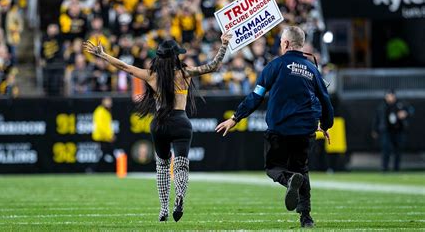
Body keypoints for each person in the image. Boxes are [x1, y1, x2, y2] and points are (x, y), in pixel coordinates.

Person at [84, 31, 233, 222]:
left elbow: (125, 67)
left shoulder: (151, 75)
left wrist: (102, 54)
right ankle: (180, 197)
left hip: (160, 123)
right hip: (181, 122)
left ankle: (163, 208)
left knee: (162, 167)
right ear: (174, 56)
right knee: (181, 166)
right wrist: (224, 45)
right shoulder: (185, 73)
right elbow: (213, 66)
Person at [215, 26, 333, 228]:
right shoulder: (313, 69)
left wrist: (235, 118)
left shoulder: (274, 66)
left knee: (273, 168)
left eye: (281, 42)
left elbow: (256, 97)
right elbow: (326, 100)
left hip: (280, 129)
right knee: (302, 170)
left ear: (286, 43)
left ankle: (289, 181)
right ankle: (306, 218)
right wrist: (326, 124)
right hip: (305, 131)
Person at [372, 89, 412, 172]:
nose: (390, 98)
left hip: (398, 130)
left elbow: (411, 110)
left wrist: (405, 113)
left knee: (398, 149)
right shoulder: (382, 106)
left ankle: (396, 168)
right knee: (386, 148)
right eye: (388, 96)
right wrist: (374, 129)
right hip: (386, 130)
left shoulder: (400, 104)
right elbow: (376, 118)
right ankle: (384, 167)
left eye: (391, 96)